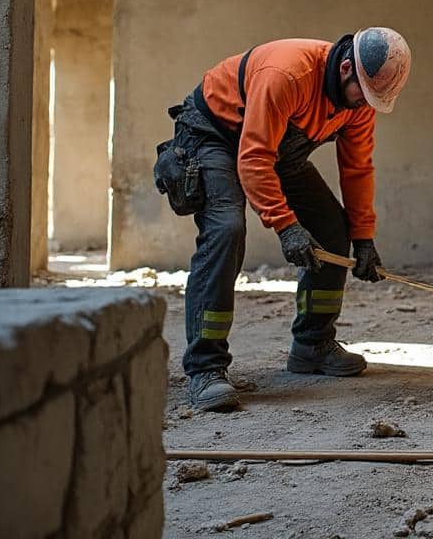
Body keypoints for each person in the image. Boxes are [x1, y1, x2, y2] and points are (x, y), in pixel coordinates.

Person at [156, 28, 411, 411]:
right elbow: (254, 158)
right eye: (364, 95)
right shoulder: (287, 75)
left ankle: (312, 345)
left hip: (275, 148)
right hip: (215, 137)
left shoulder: (360, 103)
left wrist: (363, 238)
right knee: (226, 230)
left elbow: (357, 168)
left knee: (331, 229)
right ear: (346, 69)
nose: (364, 106)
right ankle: (205, 368)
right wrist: (285, 226)